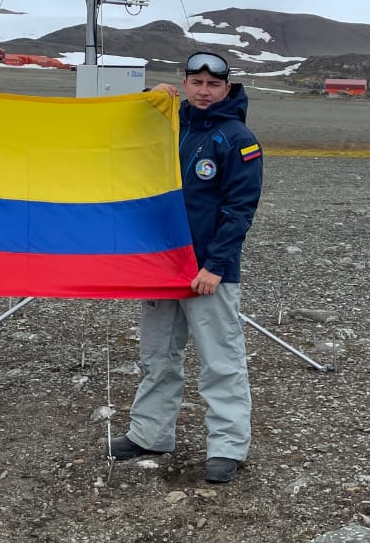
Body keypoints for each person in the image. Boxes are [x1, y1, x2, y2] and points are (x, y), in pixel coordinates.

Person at [109, 51, 264, 484]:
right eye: (195, 82)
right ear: (185, 84)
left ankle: (228, 447)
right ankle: (150, 433)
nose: (202, 91)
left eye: (212, 85)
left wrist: (216, 265)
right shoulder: (170, 126)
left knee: (221, 361)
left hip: (208, 274)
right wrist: (146, 99)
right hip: (163, 268)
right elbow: (120, 133)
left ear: (226, 89)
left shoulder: (238, 139)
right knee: (157, 357)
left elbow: (240, 209)